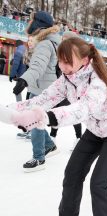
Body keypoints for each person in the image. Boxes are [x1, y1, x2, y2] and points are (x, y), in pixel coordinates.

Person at [5, 37, 107, 216]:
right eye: (60, 61)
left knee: (99, 184)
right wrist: (11, 111)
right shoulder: (66, 79)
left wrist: (46, 117)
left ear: (84, 60)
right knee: (72, 175)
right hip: (95, 131)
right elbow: (44, 99)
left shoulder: (98, 81)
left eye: (68, 62)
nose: (62, 66)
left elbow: (82, 110)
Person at [11, 11, 61, 172]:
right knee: (35, 120)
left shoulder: (45, 43)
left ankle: (39, 158)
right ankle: (49, 145)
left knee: (33, 121)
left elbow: (37, 67)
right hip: (44, 87)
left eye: (32, 20)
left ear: (38, 24)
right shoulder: (51, 41)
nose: (29, 22)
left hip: (42, 89)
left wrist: (24, 80)